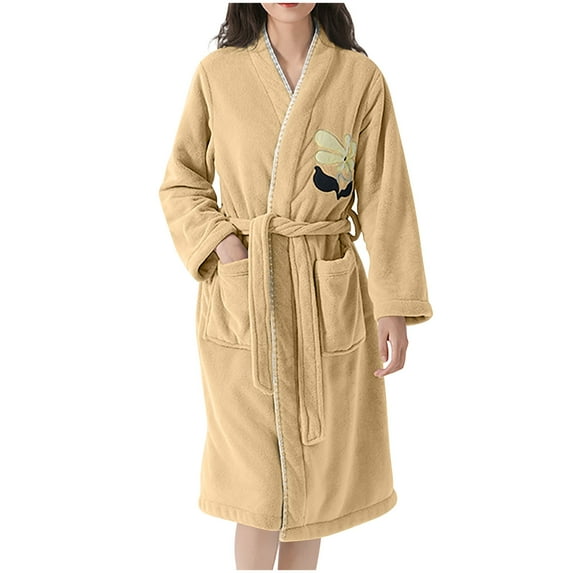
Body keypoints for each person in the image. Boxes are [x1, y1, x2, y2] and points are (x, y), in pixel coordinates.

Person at [158, 2, 433, 570]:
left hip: (324, 298)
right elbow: (181, 180)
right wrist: (224, 245)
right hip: (245, 298)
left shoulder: (359, 78)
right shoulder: (217, 73)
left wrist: (394, 303)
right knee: (255, 489)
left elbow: (386, 196)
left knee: (314, 486)